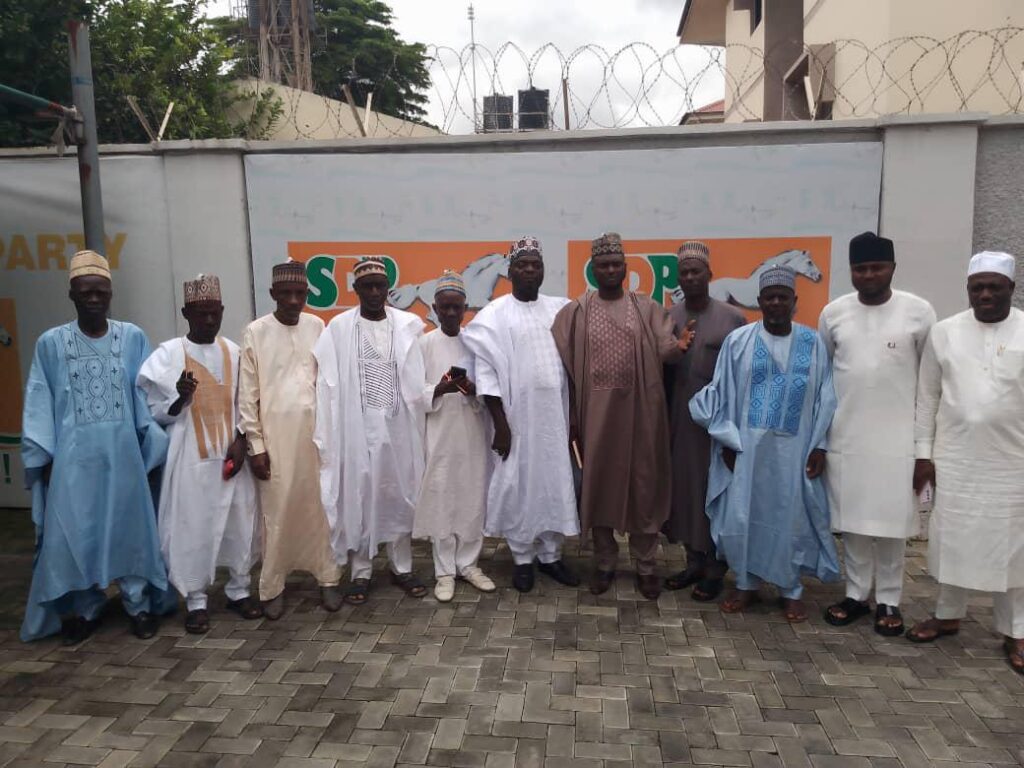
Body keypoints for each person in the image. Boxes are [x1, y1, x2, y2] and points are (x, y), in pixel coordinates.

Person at [20, 250, 170, 644]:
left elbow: (145, 397)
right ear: (71, 294)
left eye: (100, 291)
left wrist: (152, 450)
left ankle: (138, 605)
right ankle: (87, 609)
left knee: (131, 531)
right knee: (77, 534)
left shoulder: (132, 337)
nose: (93, 298)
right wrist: (44, 458)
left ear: (110, 294)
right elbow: (39, 400)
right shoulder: (51, 343)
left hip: (124, 460)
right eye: (85, 291)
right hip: (73, 463)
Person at [690, 264, 839, 623]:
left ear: (794, 301)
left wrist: (820, 446)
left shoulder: (813, 344)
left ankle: (791, 590)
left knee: (791, 517)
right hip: (748, 450)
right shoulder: (739, 342)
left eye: (782, 297)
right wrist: (727, 440)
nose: (775, 303)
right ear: (759, 301)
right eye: (769, 297)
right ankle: (745, 584)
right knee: (745, 515)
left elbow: (826, 399)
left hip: (796, 451)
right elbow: (721, 395)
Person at [553, 233, 690, 600]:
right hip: (597, 418)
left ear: (626, 268)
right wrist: (572, 417)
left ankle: (646, 567)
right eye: (603, 265)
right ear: (593, 270)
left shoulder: (647, 308)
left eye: (616, 264)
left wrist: (677, 348)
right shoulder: (576, 312)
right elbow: (563, 367)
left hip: (642, 415)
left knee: (643, 487)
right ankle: (605, 564)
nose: (611, 270)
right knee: (600, 488)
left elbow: (666, 347)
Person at [906, 251, 1024, 674]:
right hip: (954, 456)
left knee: (1014, 546)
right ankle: (947, 614)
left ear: (1012, 288)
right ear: (968, 290)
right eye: (978, 287)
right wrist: (923, 455)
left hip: (1013, 460)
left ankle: (1017, 630)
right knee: (953, 539)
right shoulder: (945, 332)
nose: (985, 294)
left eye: (994, 286)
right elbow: (927, 397)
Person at [819, 233, 936, 636]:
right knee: (852, 523)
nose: (868, 275)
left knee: (892, 526)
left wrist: (925, 451)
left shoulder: (919, 312)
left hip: (898, 442)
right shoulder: (834, 313)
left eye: (876, 267)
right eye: (860, 268)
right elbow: (824, 377)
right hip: (846, 439)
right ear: (851, 271)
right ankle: (855, 594)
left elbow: (929, 384)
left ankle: (889, 599)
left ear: (892, 268)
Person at [138, 274, 261, 634]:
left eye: (214, 313)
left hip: (231, 457)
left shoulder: (234, 352)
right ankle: (196, 601)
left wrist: (242, 439)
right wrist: (180, 397)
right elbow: (155, 412)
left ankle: (239, 591)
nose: (209, 320)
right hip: (190, 459)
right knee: (192, 526)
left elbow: (247, 403)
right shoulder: (168, 354)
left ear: (222, 311)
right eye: (200, 313)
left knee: (239, 522)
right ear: (185, 313)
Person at [462, 236, 580, 593]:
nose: (529, 270)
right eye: (522, 265)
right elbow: (485, 373)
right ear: (510, 271)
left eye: (535, 265)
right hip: (516, 419)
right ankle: (523, 559)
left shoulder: (561, 309)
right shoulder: (494, 315)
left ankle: (551, 556)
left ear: (543, 271)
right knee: (519, 485)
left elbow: (575, 366)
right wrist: (501, 425)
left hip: (555, 419)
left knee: (553, 484)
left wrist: (574, 417)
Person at [314, 256, 429, 606]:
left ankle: (402, 567)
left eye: (380, 286)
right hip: (357, 431)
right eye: (368, 287)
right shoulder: (338, 328)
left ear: (388, 288)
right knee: (360, 496)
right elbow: (327, 383)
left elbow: (416, 381)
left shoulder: (407, 326)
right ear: (356, 289)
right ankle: (361, 572)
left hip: (399, 429)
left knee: (399, 494)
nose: (375, 293)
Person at [238, 261, 342, 619]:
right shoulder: (256, 332)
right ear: (273, 294)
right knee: (277, 512)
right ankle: (272, 586)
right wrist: (256, 446)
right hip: (276, 441)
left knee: (320, 509)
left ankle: (328, 577)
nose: (294, 301)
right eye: (286, 294)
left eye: (300, 293)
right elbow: (247, 396)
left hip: (316, 438)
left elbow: (329, 382)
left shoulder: (317, 326)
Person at [663, 241, 746, 602]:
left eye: (697, 271)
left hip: (717, 425)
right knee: (686, 491)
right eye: (685, 272)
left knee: (715, 492)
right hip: (680, 420)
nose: (691, 277)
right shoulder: (670, 317)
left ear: (709, 275)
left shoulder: (732, 318)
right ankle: (693, 562)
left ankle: (715, 569)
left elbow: (741, 376)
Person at [414, 270, 496, 602]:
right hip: (440, 435)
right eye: (444, 307)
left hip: (473, 433)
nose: (450, 313)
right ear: (434, 308)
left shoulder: (474, 343)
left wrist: (473, 390)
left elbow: (490, 388)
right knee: (442, 499)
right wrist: (439, 389)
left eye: (456, 307)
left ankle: (469, 564)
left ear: (465, 309)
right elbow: (413, 392)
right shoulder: (423, 344)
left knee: (473, 498)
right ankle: (444, 571)